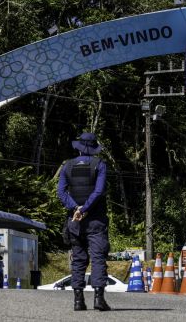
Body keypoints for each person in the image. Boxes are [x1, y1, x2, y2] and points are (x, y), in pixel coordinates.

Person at [57, 132, 110, 311]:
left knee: (78, 260)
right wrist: (85, 209)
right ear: (94, 149)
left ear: (79, 148)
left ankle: (78, 301)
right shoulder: (100, 165)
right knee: (98, 258)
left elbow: (61, 192)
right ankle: (98, 299)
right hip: (95, 220)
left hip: (74, 221)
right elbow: (99, 190)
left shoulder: (67, 166)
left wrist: (75, 209)